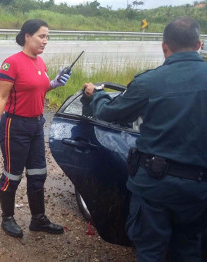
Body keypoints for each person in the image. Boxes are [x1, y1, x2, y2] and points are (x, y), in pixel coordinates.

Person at [83, 17, 207, 261]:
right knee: (191, 249)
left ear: (164, 47)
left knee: (150, 252)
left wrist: (97, 94)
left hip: (154, 187)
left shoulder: (148, 82)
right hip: (199, 189)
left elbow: (109, 114)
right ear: (200, 44)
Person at [0, 19, 71, 238]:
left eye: (47, 37)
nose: (45, 41)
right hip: (15, 126)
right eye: (41, 36)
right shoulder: (11, 63)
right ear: (27, 36)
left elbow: (38, 92)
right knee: (12, 175)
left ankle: (38, 219)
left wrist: (53, 84)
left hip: (35, 125)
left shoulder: (40, 63)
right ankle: (7, 218)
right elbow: (2, 97)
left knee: (38, 173)